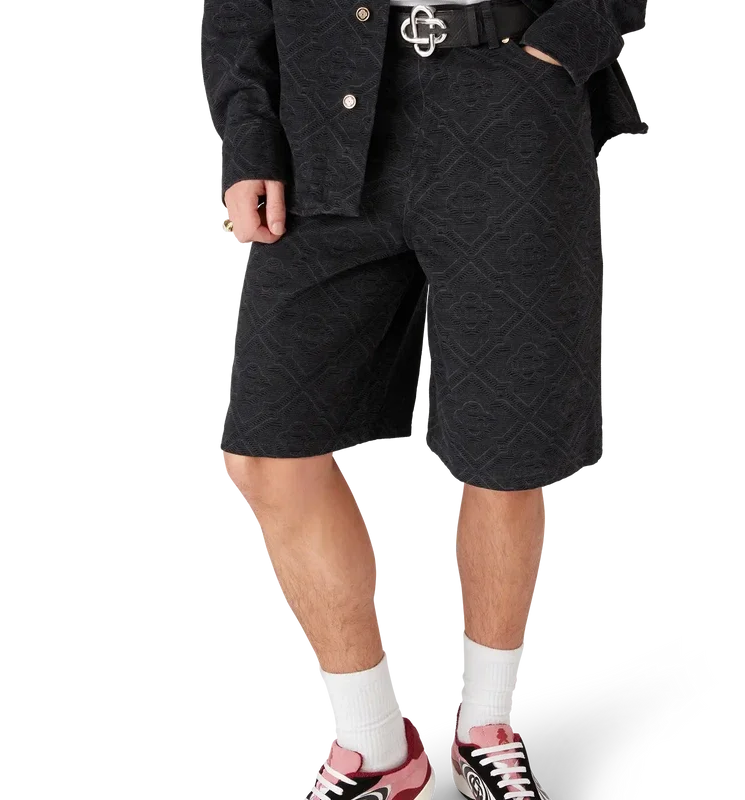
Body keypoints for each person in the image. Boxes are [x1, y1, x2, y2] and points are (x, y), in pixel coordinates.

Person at [203, 2, 648, 798]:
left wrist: (555, 53)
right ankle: (375, 747)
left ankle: (486, 729)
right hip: (322, 121)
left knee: (507, 450)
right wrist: (247, 140)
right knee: (268, 455)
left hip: (508, 104)